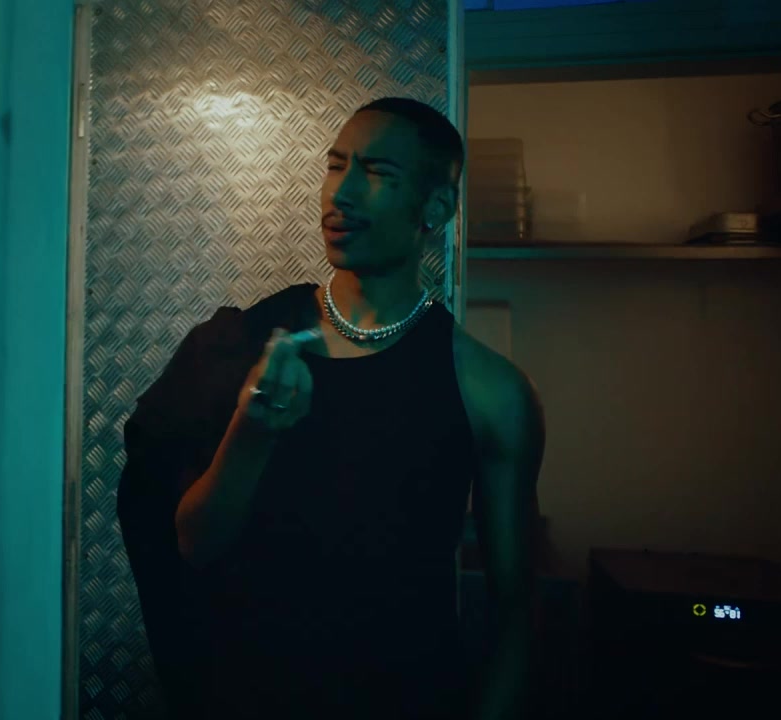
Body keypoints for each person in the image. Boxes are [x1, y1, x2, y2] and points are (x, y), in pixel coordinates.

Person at [117, 96, 545, 720]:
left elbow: (516, 617)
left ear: (436, 207)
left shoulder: (491, 393)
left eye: (376, 173)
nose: (339, 194)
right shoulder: (241, 343)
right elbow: (192, 544)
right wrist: (252, 432)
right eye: (336, 165)